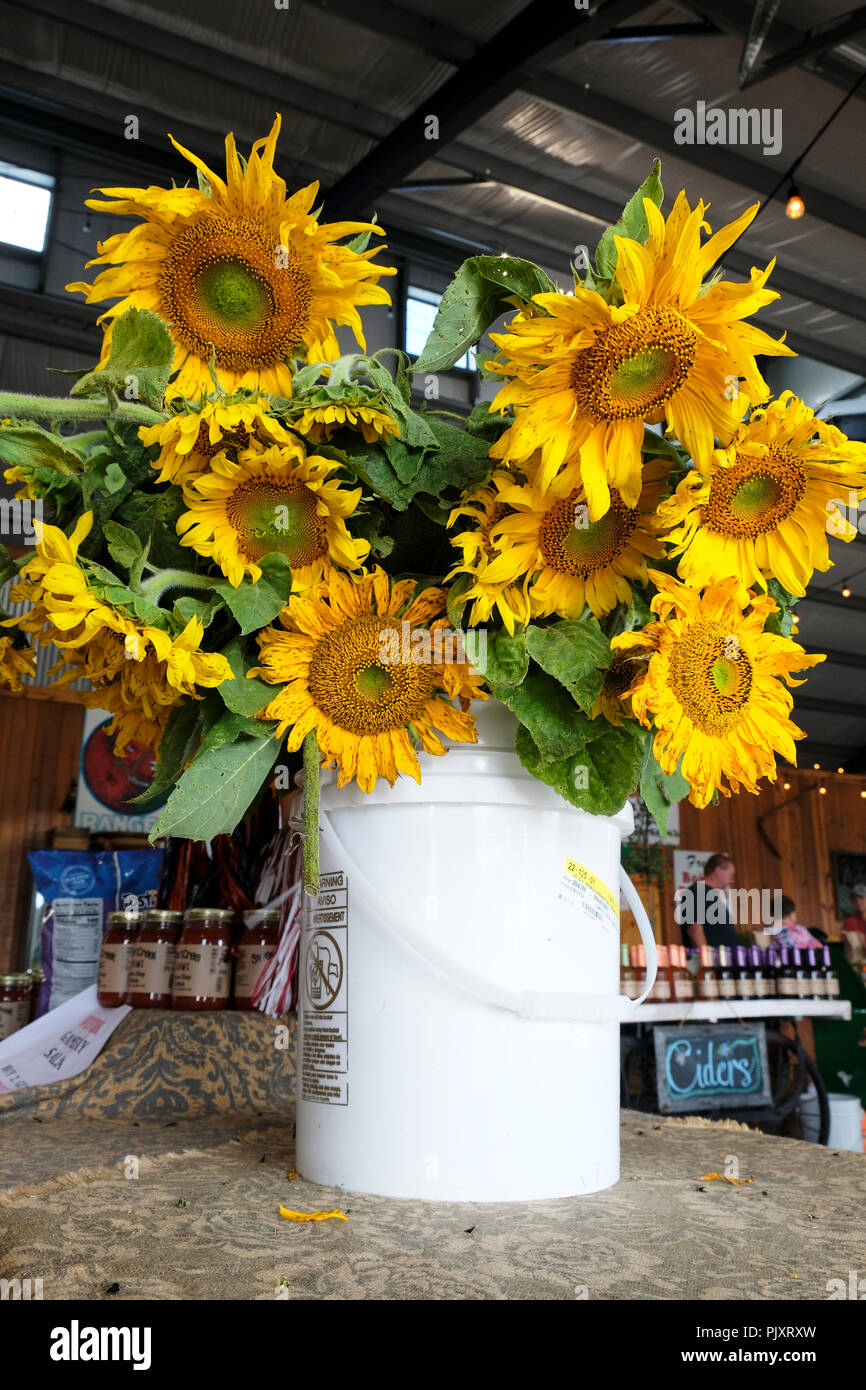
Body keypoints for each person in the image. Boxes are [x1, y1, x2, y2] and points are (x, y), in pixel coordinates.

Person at [676, 853, 740, 949]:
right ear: (718, 871)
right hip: (711, 961)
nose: (732, 881)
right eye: (730, 876)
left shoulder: (709, 894)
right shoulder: (697, 891)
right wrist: (706, 960)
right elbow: (694, 928)